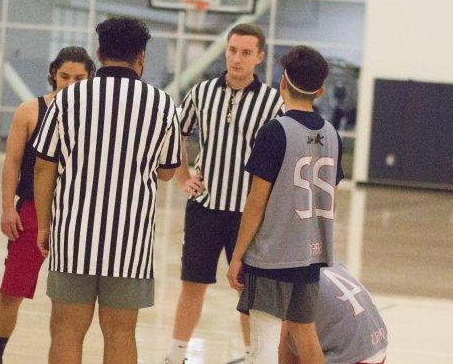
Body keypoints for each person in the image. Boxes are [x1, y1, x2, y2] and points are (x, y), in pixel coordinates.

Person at [32, 17, 181, 364]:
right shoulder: (162, 105)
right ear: (141, 57)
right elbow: (168, 171)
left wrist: (43, 224)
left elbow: (43, 165)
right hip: (130, 241)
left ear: (99, 53)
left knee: (67, 330)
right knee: (121, 333)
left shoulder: (67, 100)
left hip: (72, 235)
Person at [165, 24, 283, 363]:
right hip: (204, 208)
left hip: (249, 214)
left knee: (247, 291)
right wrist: (183, 177)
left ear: (259, 57)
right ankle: (176, 354)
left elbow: (283, 153)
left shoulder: (273, 102)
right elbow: (176, 132)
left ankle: (253, 355)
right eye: (232, 50)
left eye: (246, 52)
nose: (237, 58)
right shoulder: (202, 92)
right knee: (192, 285)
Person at [226, 45, 343, 364]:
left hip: (272, 256)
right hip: (311, 255)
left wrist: (238, 255)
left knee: (263, 343)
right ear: (319, 90)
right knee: (305, 335)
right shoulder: (333, 135)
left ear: (281, 82)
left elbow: (256, 202)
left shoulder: (275, 131)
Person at [0, 47, 96, 364]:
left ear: (90, 79)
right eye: (64, 77)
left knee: (65, 299)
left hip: (75, 216)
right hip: (32, 210)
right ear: (53, 74)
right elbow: (12, 162)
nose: (70, 83)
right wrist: (8, 208)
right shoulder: (30, 110)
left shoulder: (94, 115)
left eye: (79, 78)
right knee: (12, 290)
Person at [275, 263, 389, 364]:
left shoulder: (289, 281)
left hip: (354, 357)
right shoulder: (330, 262)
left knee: (291, 335)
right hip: (378, 347)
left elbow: (290, 343)